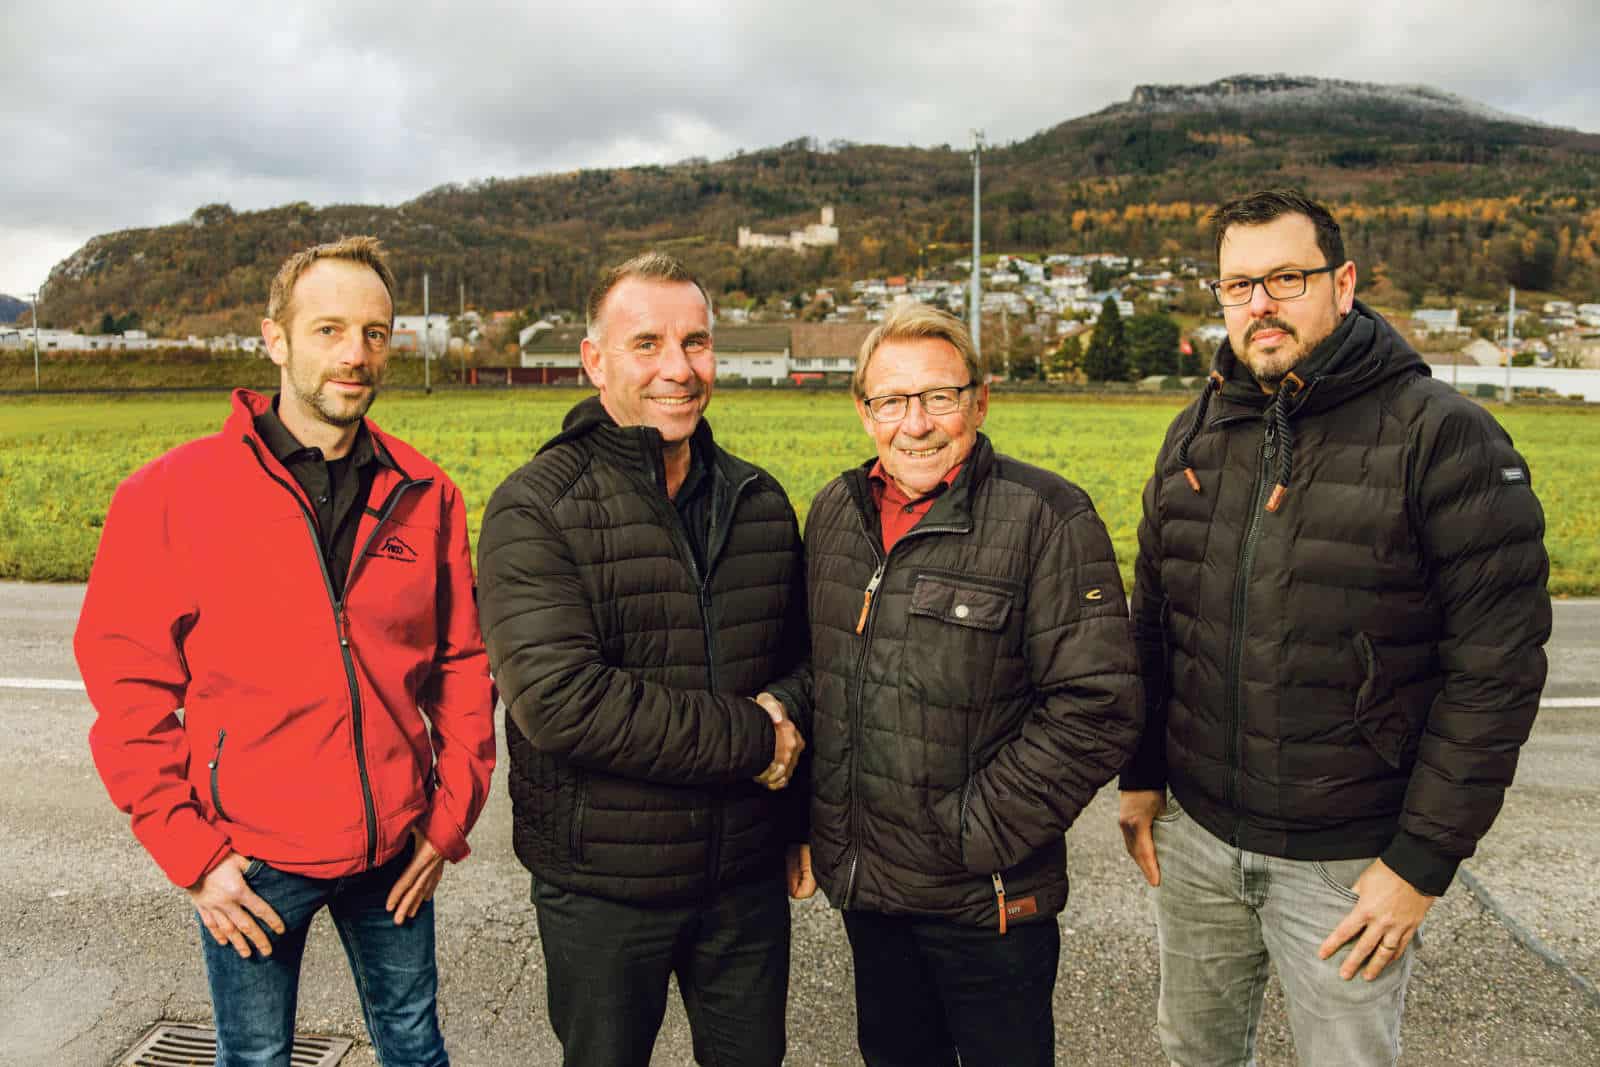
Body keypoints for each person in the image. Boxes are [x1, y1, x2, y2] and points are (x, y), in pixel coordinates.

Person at [1117, 188, 1551, 1066]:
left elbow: (1495, 673)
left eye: (1285, 277)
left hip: (1347, 861)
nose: (1260, 305)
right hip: (1198, 839)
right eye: (1239, 286)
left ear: (1342, 283)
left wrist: (1421, 862)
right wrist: (1142, 774)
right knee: (1192, 1049)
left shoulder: (1444, 437)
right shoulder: (1198, 429)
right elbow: (1156, 618)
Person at [75, 236, 497, 1066]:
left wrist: (447, 822)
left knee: (416, 1047)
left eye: (375, 333)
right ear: (276, 339)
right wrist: (193, 857)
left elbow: (463, 668)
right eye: (330, 329)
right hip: (252, 855)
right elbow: (127, 687)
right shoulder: (174, 494)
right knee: (258, 1057)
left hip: (394, 849)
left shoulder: (425, 493)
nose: (356, 354)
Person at [476, 251, 808, 1067]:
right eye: (648, 343)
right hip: (603, 888)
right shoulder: (536, 507)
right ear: (595, 360)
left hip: (743, 883)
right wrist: (756, 740)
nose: (678, 368)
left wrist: (791, 776)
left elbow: (805, 661)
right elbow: (561, 700)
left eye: (695, 343)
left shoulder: (758, 500)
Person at [793, 303, 1141, 1067]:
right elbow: (818, 679)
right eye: (891, 400)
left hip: (986, 902)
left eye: (938, 397)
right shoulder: (835, 515)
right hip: (871, 896)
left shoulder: (1046, 517)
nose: (915, 423)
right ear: (864, 411)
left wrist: (971, 833)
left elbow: (1099, 706)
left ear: (979, 401)